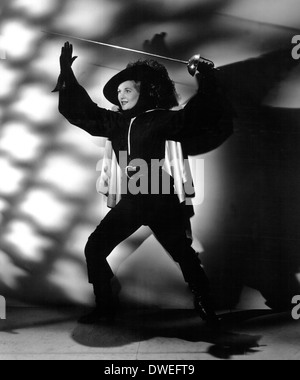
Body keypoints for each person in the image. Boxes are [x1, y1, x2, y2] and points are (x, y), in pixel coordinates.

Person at [53, 41, 232, 326]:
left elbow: (199, 113)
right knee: (94, 248)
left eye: (128, 90)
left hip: (161, 198)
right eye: (120, 92)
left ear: (144, 92)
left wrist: (204, 74)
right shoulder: (115, 123)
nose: (122, 97)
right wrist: (67, 74)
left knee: (184, 254)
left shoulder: (162, 119)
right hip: (134, 201)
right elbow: (81, 111)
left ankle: (205, 303)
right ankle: (105, 304)